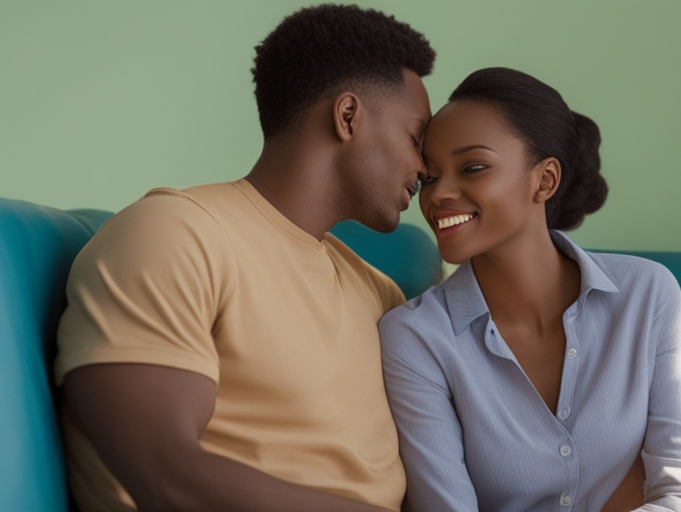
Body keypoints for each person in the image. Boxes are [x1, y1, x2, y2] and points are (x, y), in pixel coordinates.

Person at [54, 5, 434, 511]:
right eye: (415, 139)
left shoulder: (378, 293)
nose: (426, 167)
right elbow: (166, 476)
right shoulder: (176, 235)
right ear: (348, 117)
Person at [379, 67, 681, 512]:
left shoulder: (647, 295)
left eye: (472, 168)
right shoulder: (414, 339)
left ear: (544, 180)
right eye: (429, 177)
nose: (438, 194)